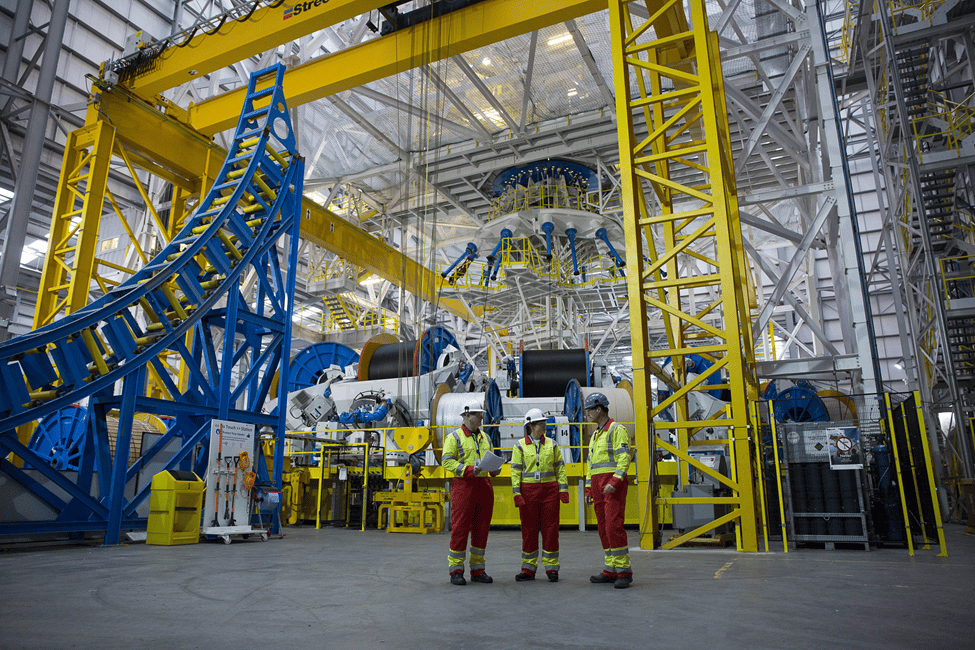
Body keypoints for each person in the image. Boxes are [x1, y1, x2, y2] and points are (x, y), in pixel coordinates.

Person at [441, 397, 500, 586]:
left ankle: (478, 569)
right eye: (477, 415)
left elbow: (489, 458)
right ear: (467, 415)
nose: (481, 418)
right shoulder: (454, 437)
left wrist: (494, 469)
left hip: (484, 486)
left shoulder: (485, 438)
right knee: (460, 529)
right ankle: (456, 571)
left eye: (481, 415)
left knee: (481, 529)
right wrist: (467, 470)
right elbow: (446, 461)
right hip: (464, 486)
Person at [511, 408, 569, 582]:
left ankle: (552, 568)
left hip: (550, 492)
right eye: (540, 423)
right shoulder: (519, 446)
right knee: (529, 530)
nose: (544, 425)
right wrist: (516, 493)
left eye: (544, 423)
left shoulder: (552, 444)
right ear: (530, 426)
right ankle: (528, 569)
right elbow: (515, 472)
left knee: (551, 530)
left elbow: (560, 468)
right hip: (528, 493)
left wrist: (563, 489)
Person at [583, 392, 633, 589]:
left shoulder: (616, 430)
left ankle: (624, 571)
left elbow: (624, 458)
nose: (586, 414)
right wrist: (588, 489)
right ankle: (611, 569)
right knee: (603, 529)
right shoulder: (595, 435)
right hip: (597, 486)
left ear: (599, 409)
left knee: (613, 527)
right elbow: (591, 465)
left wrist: (615, 480)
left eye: (588, 410)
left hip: (612, 487)